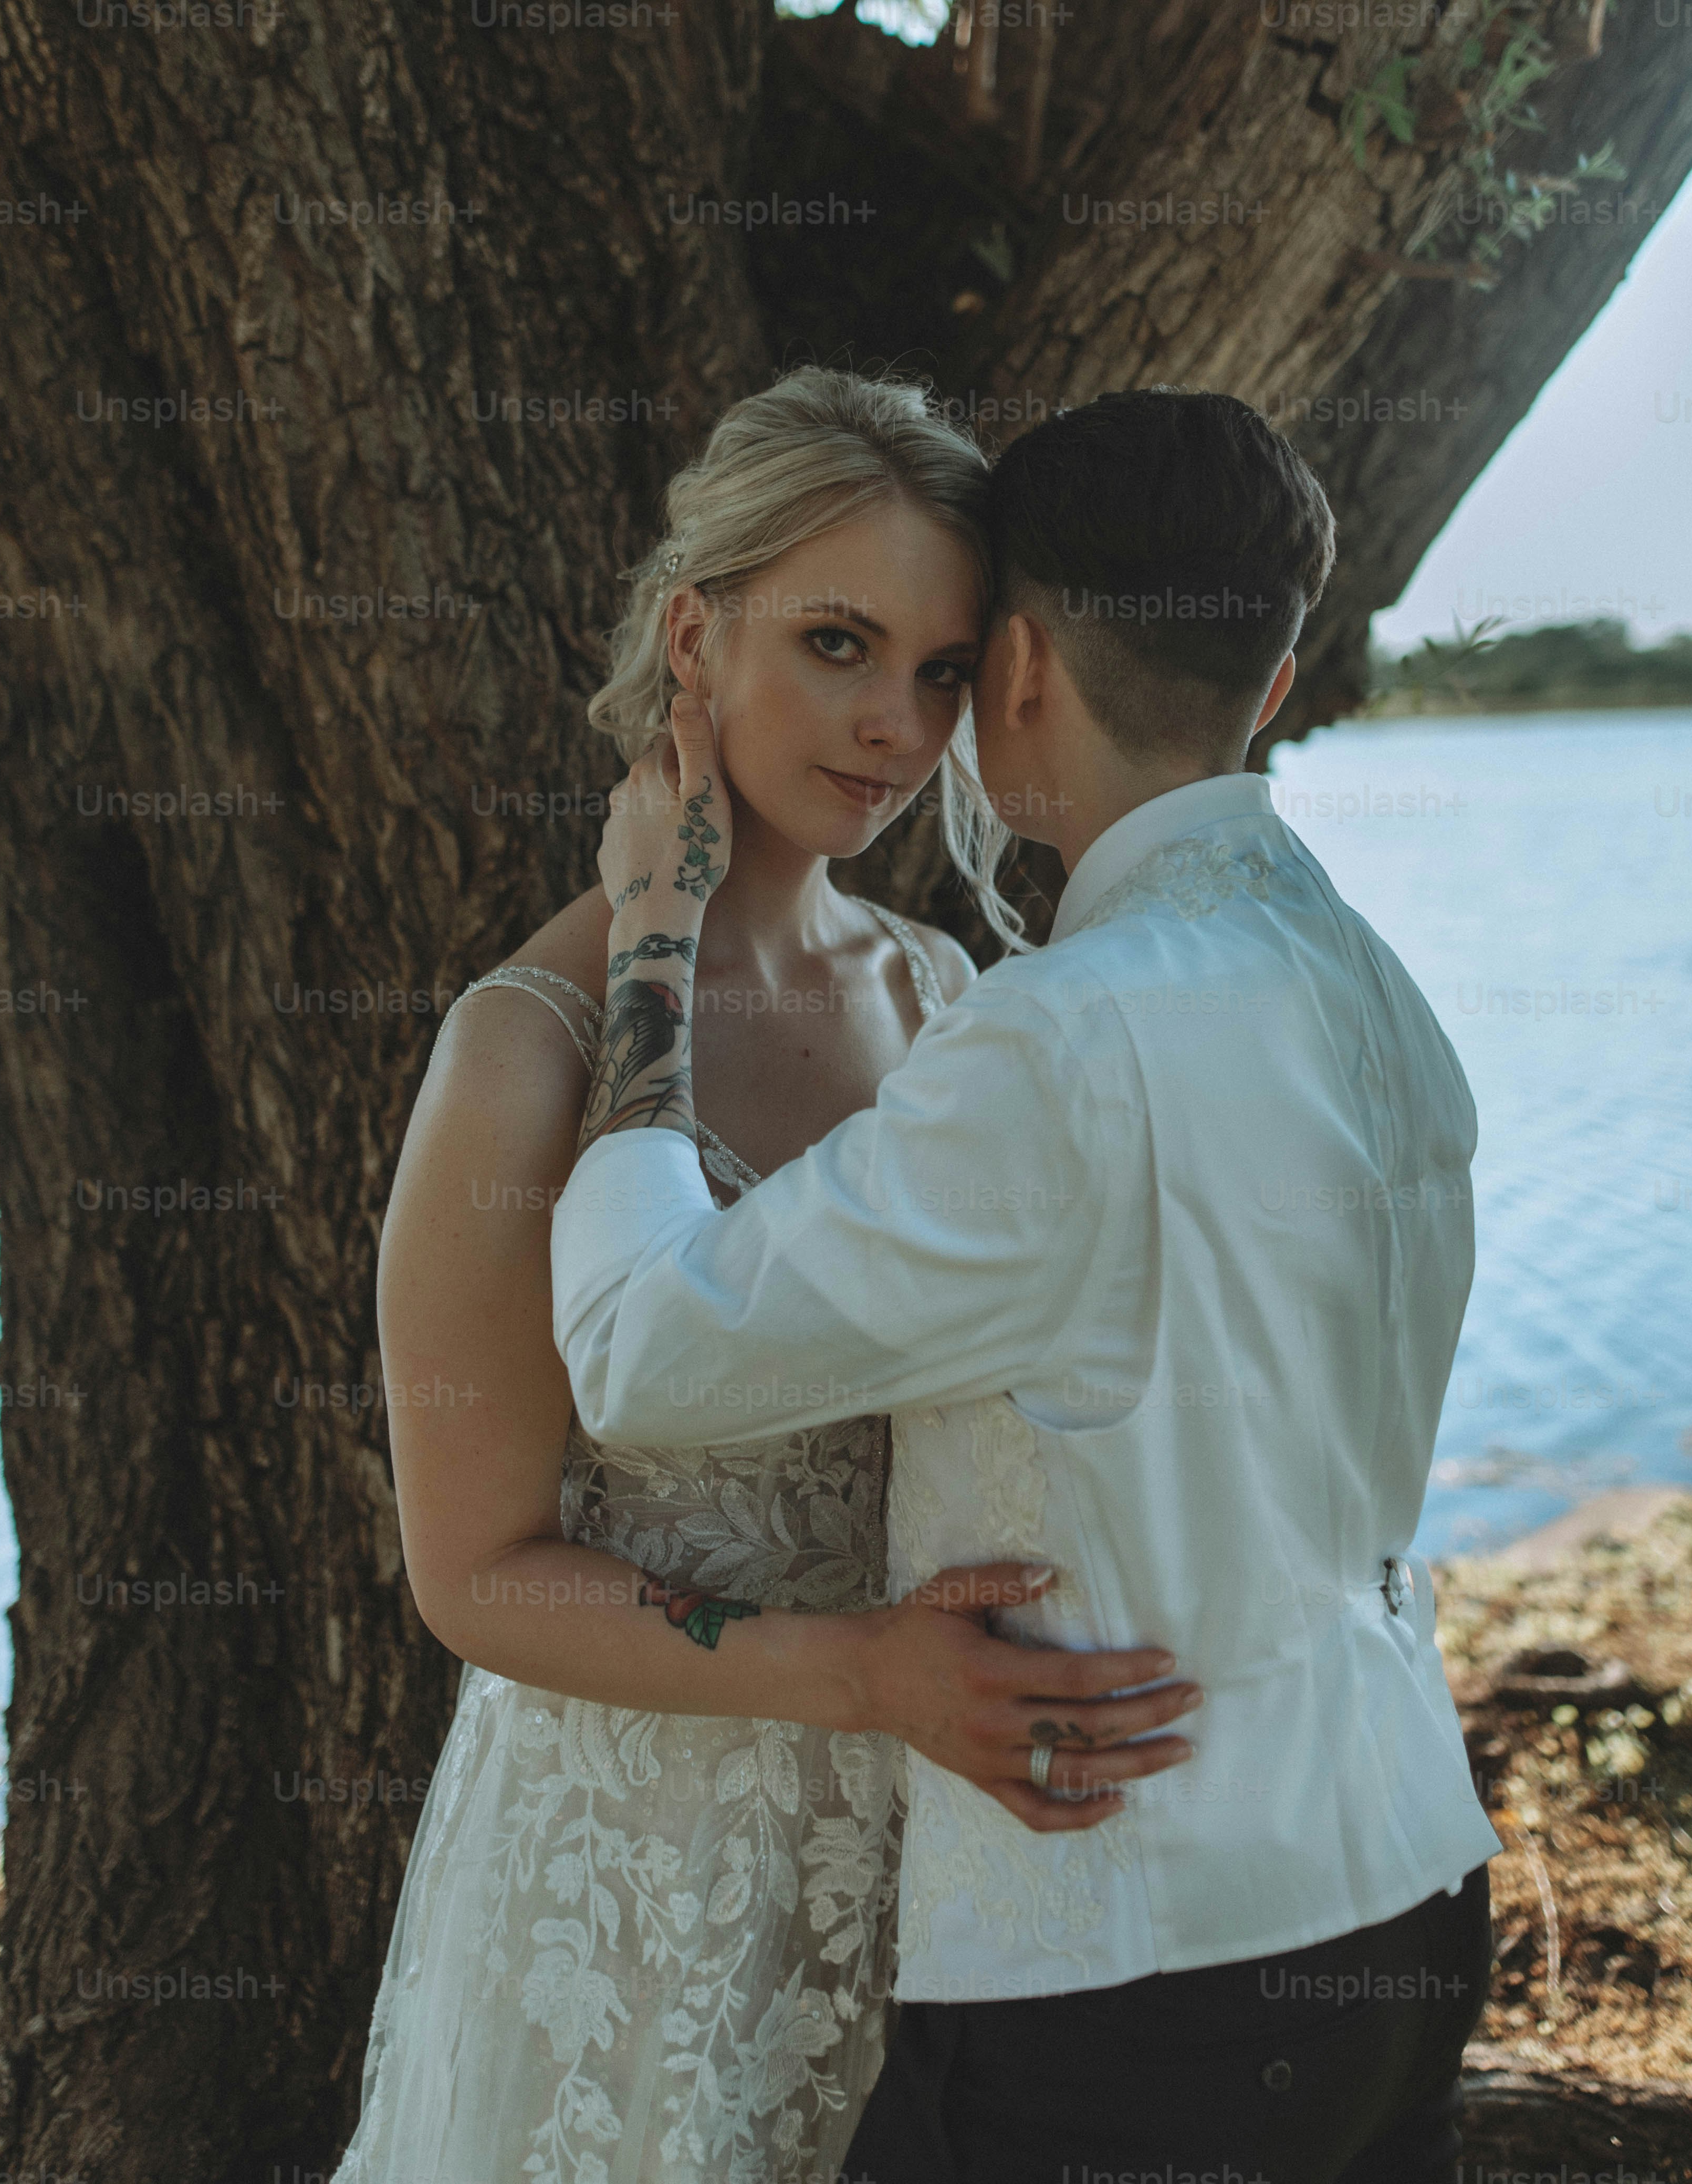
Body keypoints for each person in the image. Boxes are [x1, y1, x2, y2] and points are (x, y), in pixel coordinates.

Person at [552, 386, 1505, 2184]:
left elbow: (636, 1345)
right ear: (1276, 685)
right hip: (1403, 1885)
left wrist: (654, 959)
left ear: (1025, 670)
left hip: (1138, 1966)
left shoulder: (1060, 1040)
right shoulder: (1383, 994)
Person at [334, 369, 1198, 2184]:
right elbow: (472, 1575)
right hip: (632, 1895)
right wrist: (861, 1677)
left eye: (944, 671)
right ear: (692, 636)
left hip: (932, 1852)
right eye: (835, 643)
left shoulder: (944, 1001)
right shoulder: (526, 1050)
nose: (895, 725)